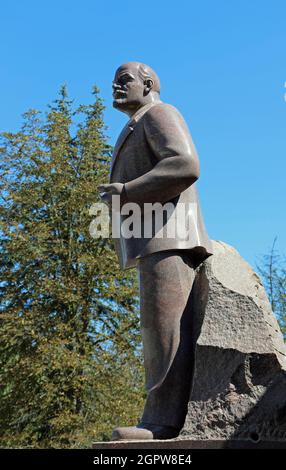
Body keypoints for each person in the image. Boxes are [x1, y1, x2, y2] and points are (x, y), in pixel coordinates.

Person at [99, 62, 213, 440]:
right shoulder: (136, 123)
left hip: (171, 238)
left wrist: (127, 192)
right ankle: (158, 417)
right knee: (156, 330)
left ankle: (161, 423)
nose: (115, 86)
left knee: (164, 330)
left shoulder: (160, 113)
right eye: (114, 81)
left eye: (125, 80)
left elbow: (185, 164)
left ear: (148, 84)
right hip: (154, 241)